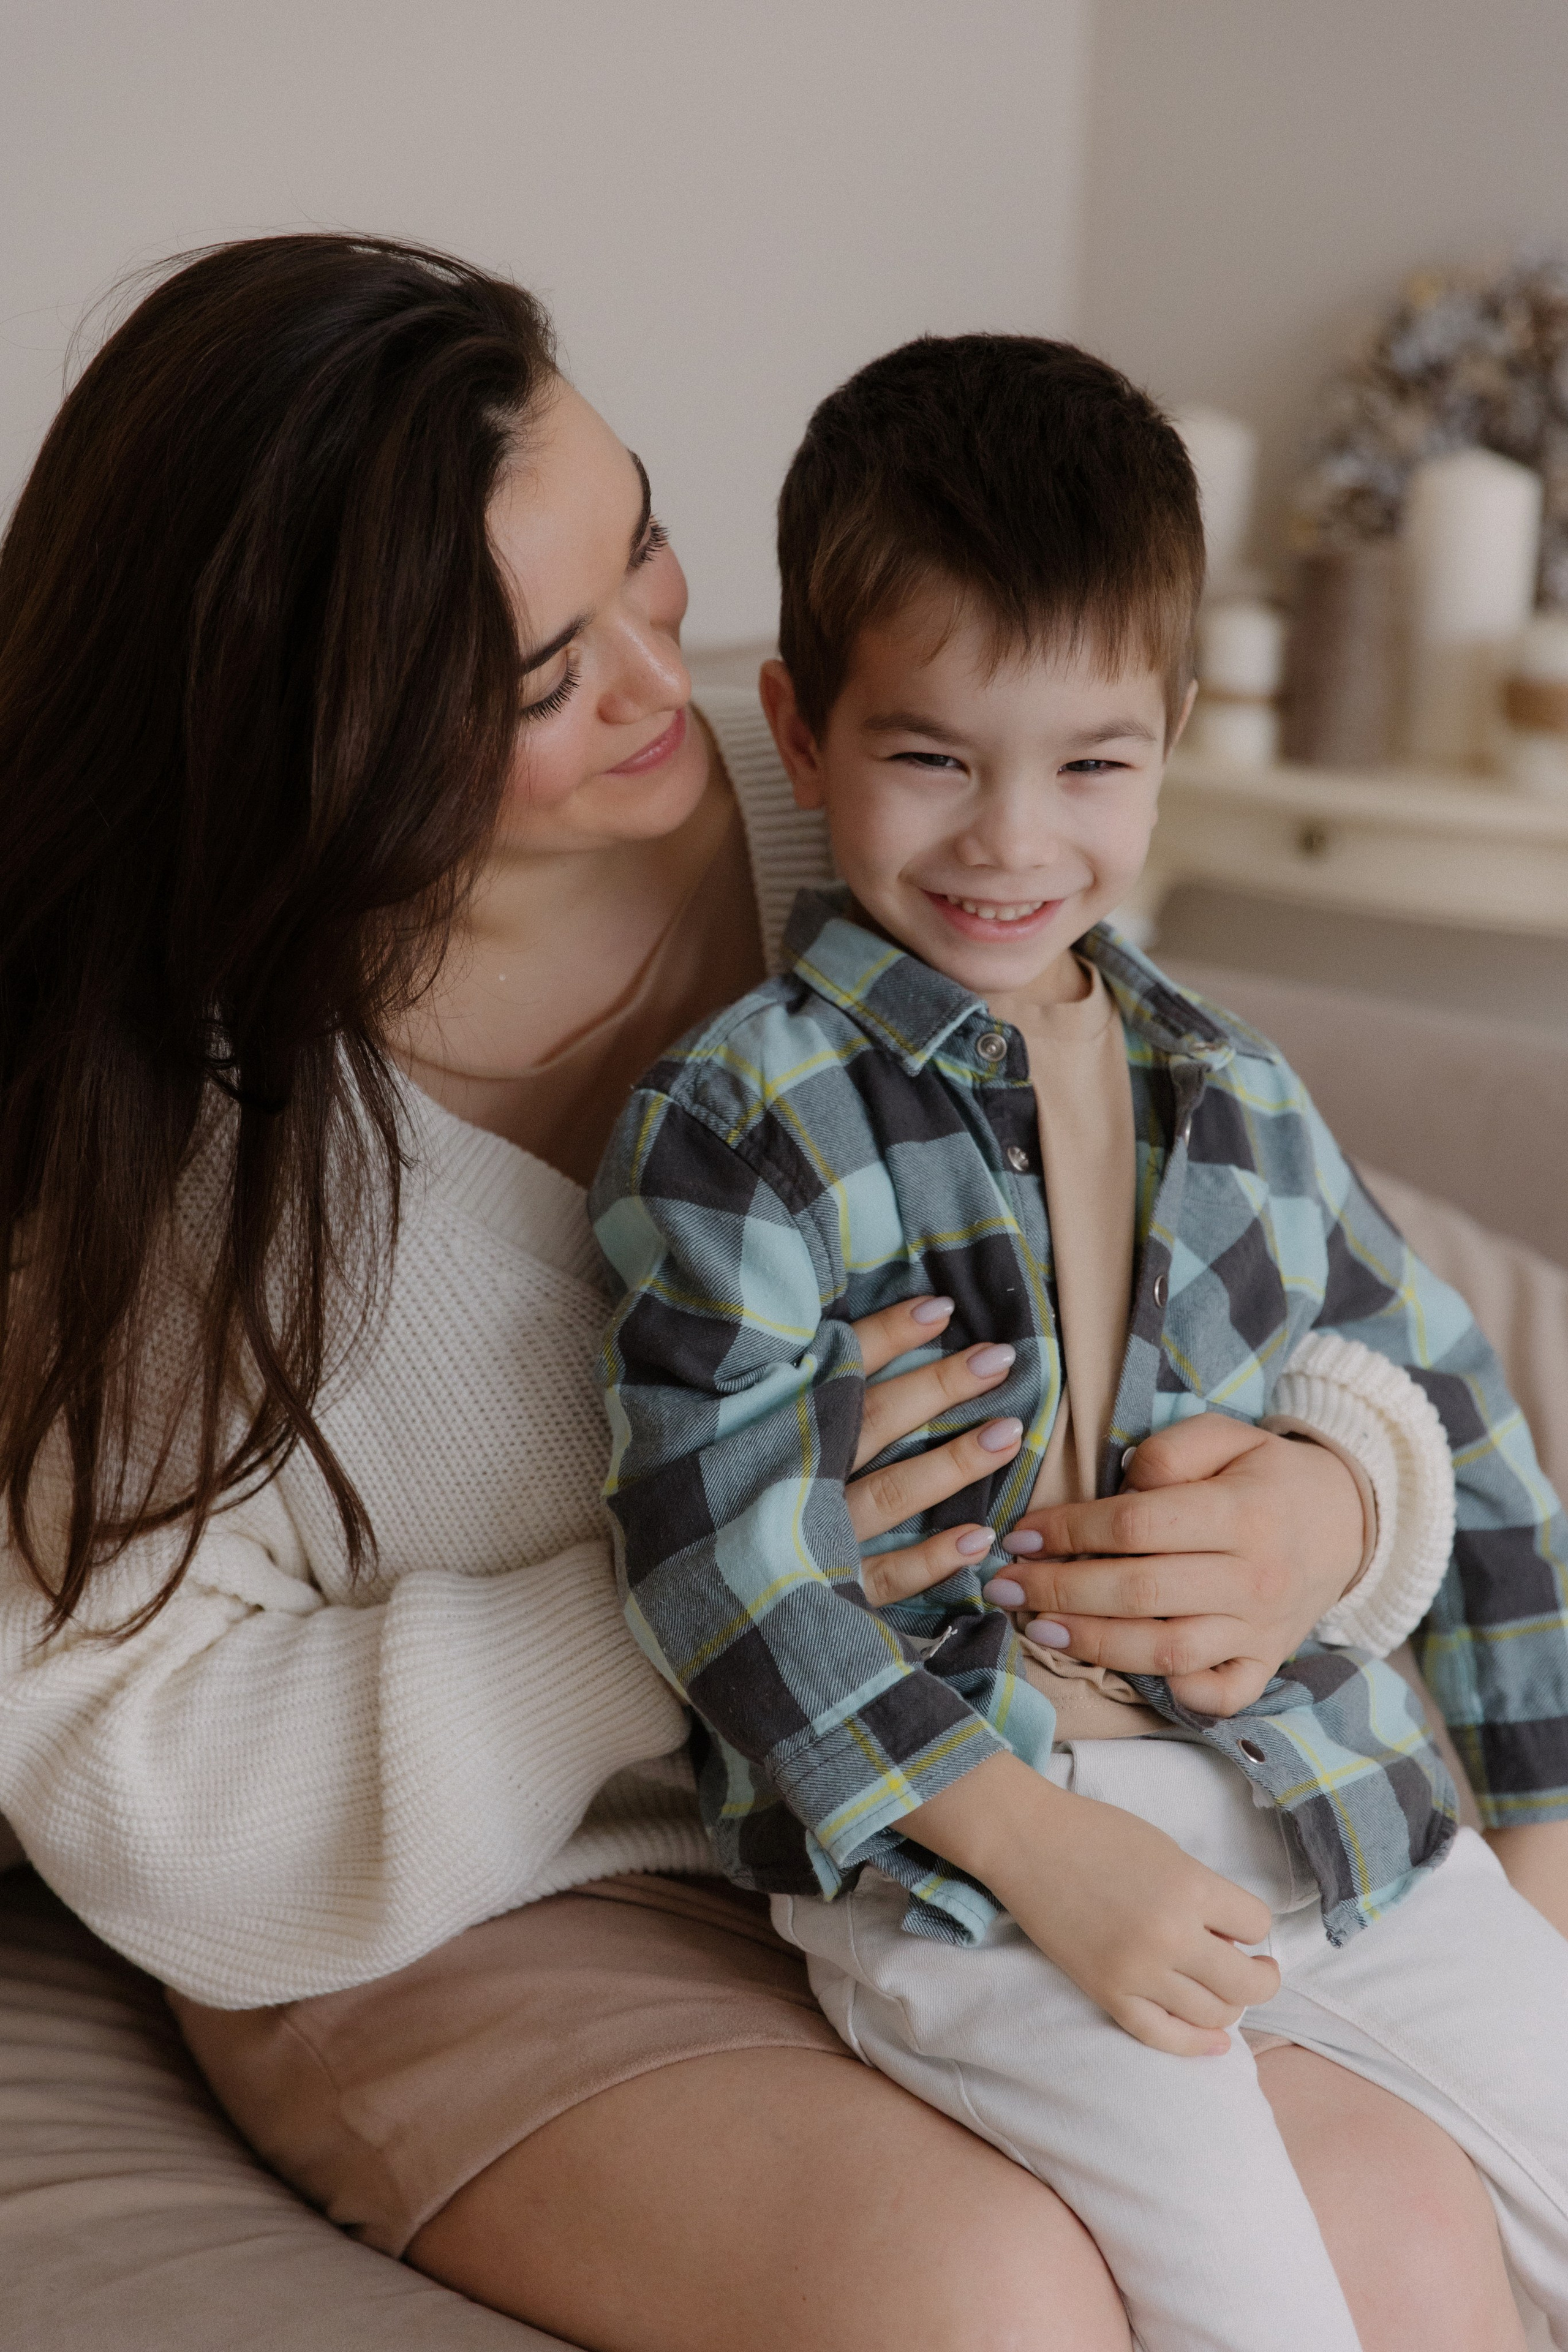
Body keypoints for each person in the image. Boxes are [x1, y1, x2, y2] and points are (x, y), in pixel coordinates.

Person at [0, 237, 1531, 2352]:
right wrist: (701, 1587)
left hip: (955, 1817)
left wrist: (1328, 1510)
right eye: (543, 681)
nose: (663, 672)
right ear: (312, 739)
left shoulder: (878, 791)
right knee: (979, 2308)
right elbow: (136, 1785)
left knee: (1408, 2241)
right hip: (490, 1901)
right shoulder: (194, 1179)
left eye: (644, 552)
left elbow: (1280, 1271)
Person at [592, 336, 1568, 2352]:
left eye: (1092, 765)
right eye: (934, 756)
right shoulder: (743, 1119)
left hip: (1319, 1782)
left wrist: (1541, 1837)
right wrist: (1042, 1851)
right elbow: (715, 1562)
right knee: (1256, 2298)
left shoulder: (1232, 1085)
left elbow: (1457, 1419)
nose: (1009, 844)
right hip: (971, 1859)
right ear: (801, 726)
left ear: (1177, 735)